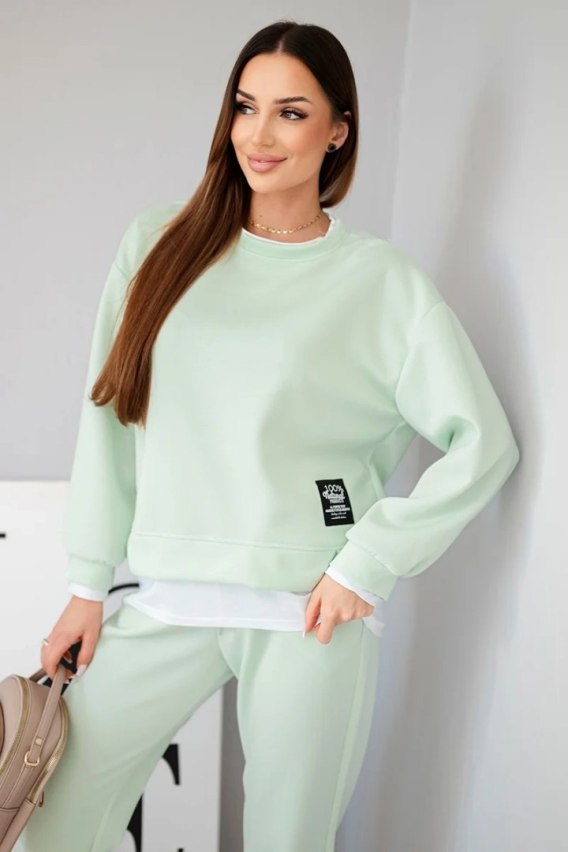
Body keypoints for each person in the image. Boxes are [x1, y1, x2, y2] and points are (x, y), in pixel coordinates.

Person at [21, 19, 520, 852]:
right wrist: (86, 583)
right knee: (57, 818)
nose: (259, 135)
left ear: (338, 131)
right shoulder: (159, 246)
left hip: (307, 614)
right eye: (246, 107)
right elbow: (108, 416)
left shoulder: (381, 283)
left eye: (291, 113)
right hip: (170, 594)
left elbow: (483, 443)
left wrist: (367, 562)